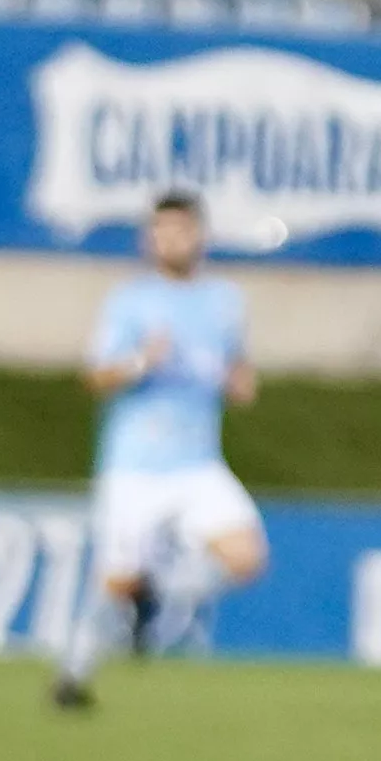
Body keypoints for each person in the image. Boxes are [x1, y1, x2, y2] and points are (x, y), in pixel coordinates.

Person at [51, 191, 264, 710]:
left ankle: (160, 594)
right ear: (149, 239)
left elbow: (236, 369)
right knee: (114, 582)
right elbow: (96, 377)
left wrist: (241, 383)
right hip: (136, 466)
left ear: (200, 235)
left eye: (180, 230)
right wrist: (140, 362)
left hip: (197, 463)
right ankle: (72, 677)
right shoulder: (131, 301)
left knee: (246, 557)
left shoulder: (223, 302)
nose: (170, 240)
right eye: (160, 231)